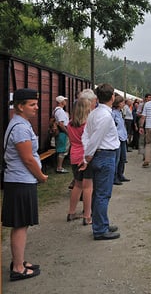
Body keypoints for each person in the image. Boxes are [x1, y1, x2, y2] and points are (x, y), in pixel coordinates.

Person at [2, 88, 48, 281]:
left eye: (36, 104)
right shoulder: (20, 127)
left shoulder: (21, 123)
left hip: (20, 181)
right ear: (20, 106)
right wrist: (41, 176)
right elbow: (28, 159)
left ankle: (18, 261)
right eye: (32, 104)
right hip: (21, 181)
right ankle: (18, 268)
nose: (36, 107)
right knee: (20, 225)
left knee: (22, 224)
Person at [80, 83, 120, 240]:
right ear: (112, 97)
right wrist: (88, 156)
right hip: (105, 156)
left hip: (98, 155)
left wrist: (87, 154)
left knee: (98, 194)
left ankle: (101, 223)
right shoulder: (105, 116)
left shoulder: (94, 113)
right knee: (103, 194)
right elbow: (95, 138)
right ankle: (100, 229)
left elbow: (86, 135)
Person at [66, 96, 95, 225]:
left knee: (77, 185)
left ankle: (71, 212)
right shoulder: (87, 125)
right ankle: (87, 215)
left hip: (74, 155)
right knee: (88, 187)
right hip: (85, 156)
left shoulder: (70, 123)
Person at [112, 94, 130, 184]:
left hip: (123, 138)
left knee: (123, 158)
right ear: (118, 103)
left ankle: (121, 174)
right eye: (122, 102)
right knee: (117, 159)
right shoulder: (113, 113)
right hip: (118, 138)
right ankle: (114, 177)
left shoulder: (120, 113)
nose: (124, 104)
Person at [53, 95, 70, 173]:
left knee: (61, 149)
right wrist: (67, 132)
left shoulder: (56, 110)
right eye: (64, 100)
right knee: (62, 150)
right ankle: (59, 167)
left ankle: (59, 166)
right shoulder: (60, 111)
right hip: (62, 132)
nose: (65, 101)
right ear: (61, 102)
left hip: (60, 132)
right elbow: (61, 123)